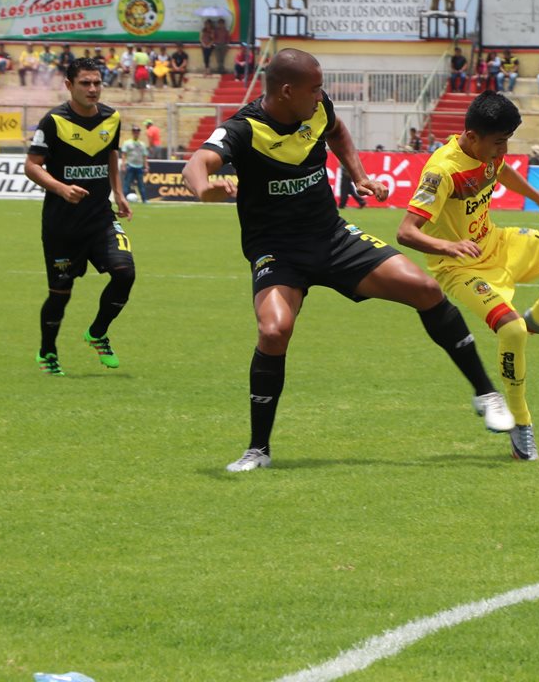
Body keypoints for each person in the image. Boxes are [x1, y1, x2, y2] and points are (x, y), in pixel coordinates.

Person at [181, 48, 514, 472]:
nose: (322, 95)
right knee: (273, 331)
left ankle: (485, 393)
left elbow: (337, 132)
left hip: (333, 238)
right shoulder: (244, 130)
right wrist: (203, 189)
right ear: (287, 91)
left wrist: (358, 175)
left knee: (425, 289)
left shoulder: (318, 110)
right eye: (315, 87)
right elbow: (198, 163)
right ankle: (257, 450)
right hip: (279, 252)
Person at [397, 91, 539, 461]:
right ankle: (521, 423)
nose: (503, 150)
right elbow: (406, 232)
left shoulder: (488, 153)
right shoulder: (442, 171)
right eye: (499, 142)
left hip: (497, 243)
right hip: (461, 267)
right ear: (472, 136)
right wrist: (449, 248)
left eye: (507, 142)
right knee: (512, 330)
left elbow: (501, 170)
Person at [23, 56, 134, 377]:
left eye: (97, 82)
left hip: (100, 217)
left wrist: (119, 193)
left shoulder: (112, 118)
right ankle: (47, 351)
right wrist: (61, 188)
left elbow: (111, 154)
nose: (93, 89)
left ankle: (98, 332)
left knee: (125, 272)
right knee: (60, 294)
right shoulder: (53, 122)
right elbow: (31, 166)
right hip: (62, 224)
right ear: (69, 85)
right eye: (85, 83)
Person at [121, 125, 150, 203]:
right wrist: (123, 165)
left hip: (139, 167)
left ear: (139, 133)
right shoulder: (127, 143)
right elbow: (124, 154)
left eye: (137, 131)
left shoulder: (142, 144)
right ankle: (123, 199)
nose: (136, 133)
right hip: (130, 165)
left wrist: (146, 166)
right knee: (127, 184)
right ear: (132, 132)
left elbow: (144, 156)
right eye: (134, 131)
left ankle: (144, 200)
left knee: (141, 185)